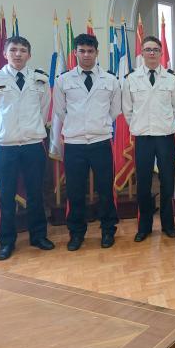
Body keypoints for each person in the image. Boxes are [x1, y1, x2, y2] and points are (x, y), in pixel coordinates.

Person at [0, 36, 53, 261]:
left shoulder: (40, 80)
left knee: (36, 193)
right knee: (6, 195)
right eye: (13, 50)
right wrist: (3, 133)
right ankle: (7, 242)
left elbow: (44, 110)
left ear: (29, 54)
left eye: (22, 50)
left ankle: (38, 236)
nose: (18, 54)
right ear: (5, 53)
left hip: (33, 144)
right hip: (6, 146)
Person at [51, 33, 120, 251]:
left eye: (90, 51)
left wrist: (98, 125)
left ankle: (108, 230)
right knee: (75, 191)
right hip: (75, 143)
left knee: (105, 190)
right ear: (75, 53)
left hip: (100, 141)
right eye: (82, 51)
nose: (86, 55)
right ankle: (77, 233)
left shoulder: (110, 79)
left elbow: (115, 110)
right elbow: (60, 112)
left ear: (97, 53)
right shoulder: (63, 80)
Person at [122, 36, 175, 242]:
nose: (151, 53)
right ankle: (144, 226)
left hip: (165, 135)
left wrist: (164, 121)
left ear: (160, 53)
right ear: (141, 52)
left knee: (167, 181)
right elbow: (127, 110)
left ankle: (168, 225)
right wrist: (139, 125)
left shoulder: (171, 79)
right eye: (147, 49)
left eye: (155, 50)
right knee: (144, 184)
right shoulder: (131, 79)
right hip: (143, 138)